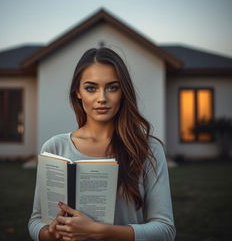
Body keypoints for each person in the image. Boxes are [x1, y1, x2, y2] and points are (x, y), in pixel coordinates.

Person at [28, 47, 175, 241]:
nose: (102, 98)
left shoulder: (147, 149)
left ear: (123, 92)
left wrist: (96, 230)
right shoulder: (55, 148)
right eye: (91, 88)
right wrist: (50, 233)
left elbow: (165, 230)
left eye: (113, 87)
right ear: (78, 93)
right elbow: (36, 221)